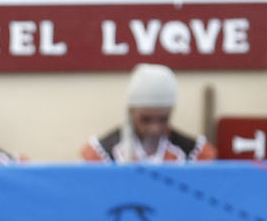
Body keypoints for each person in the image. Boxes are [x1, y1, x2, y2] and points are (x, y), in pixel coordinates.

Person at [81, 63, 218, 161]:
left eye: (163, 119)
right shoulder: (100, 155)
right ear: (131, 112)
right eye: (146, 119)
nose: (154, 128)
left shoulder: (196, 154)